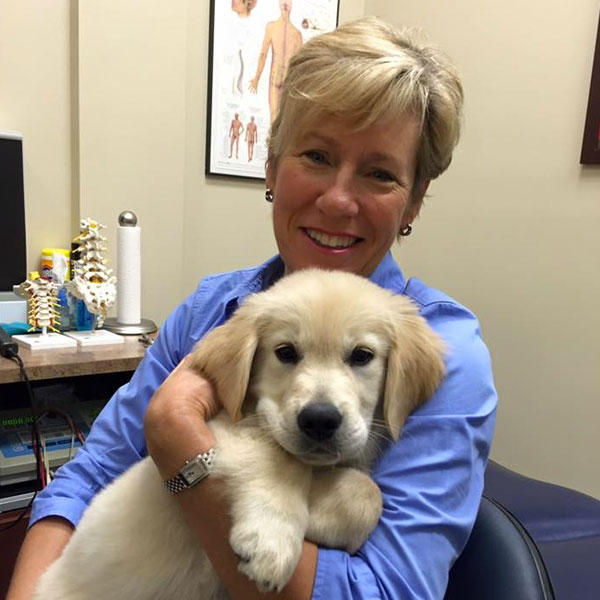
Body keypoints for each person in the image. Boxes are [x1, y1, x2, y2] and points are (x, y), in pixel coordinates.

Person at [8, 16, 497, 600]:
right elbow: (87, 477)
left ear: (413, 201)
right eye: (316, 155)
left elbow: (388, 590)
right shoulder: (214, 311)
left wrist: (179, 443)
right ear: (271, 167)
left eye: (379, 173)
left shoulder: (442, 348)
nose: (339, 199)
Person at [249, 0, 303, 122]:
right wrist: (257, 78)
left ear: (292, 5)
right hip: (274, 81)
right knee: (273, 120)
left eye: (288, 2)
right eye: (283, 1)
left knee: (284, 122)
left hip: (288, 84)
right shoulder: (272, 27)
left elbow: (299, 66)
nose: (285, 4)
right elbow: (263, 53)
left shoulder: (297, 34)